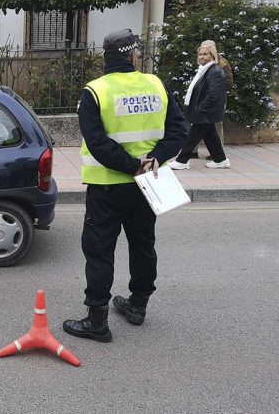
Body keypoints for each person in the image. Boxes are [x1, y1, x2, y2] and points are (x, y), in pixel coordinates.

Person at [62, 29, 187, 342]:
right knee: (143, 243)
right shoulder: (157, 84)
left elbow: (99, 144)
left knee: (99, 250)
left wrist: (131, 165)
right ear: (134, 56)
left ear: (107, 58)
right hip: (149, 184)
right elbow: (178, 132)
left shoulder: (95, 91)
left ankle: (97, 320)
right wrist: (154, 159)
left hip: (107, 186)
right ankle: (137, 305)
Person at [170, 41, 230, 170]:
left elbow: (213, 94)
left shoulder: (215, 70)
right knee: (210, 135)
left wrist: (201, 108)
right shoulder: (204, 70)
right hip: (204, 110)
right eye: (200, 54)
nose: (202, 57)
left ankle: (182, 160)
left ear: (212, 56)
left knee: (192, 136)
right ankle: (221, 160)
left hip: (206, 111)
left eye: (205, 54)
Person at [188, 40, 233, 160]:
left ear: (212, 50)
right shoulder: (203, 63)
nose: (202, 54)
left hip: (214, 100)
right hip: (203, 99)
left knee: (214, 126)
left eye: (206, 50)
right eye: (201, 51)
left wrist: (215, 90)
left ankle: (216, 153)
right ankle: (195, 151)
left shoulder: (221, 64)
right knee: (202, 126)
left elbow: (228, 82)